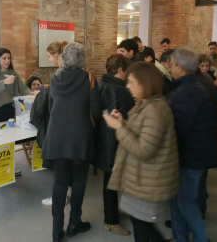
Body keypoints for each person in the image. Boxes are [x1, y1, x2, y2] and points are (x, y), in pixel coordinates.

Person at [103, 62, 179, 242]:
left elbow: (144, 149)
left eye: (131, 82)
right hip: (140, 179)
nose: (127, 86)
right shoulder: (146, 103)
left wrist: (119, 128)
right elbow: (142, 134)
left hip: (148, 181)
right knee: (141, 225)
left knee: (143, 228)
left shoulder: (155, 110)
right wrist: (123, 122)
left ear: (145, 83)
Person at [41, 43, 101, 242]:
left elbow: (50, 108)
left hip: (57, 138)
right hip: (80, 137)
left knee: (59, 183)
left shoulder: (55, 79)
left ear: (63, 58)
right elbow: (96, 111)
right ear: (83, 58)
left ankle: (56, 231)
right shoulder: (88, 78)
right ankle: (75, 222)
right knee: (79, 182)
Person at [167, 49, 217, 242]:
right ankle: (180, 237)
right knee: (181, 203)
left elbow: (178, 128)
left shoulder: (186, 92)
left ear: (180, 68)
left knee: (186, 204)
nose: (169, 67)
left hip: (190, 157)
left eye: (171, 64)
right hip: (192, 155)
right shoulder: (191, 87)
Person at [94, 54, 135, 237]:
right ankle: (110, 221)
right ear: (120, 70)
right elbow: (118, 117)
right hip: (113, 141)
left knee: (111, 179)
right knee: (111, 180)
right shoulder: (116, 88)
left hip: (105, 140)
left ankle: (112, 214)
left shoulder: (103, 84)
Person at [30, 41, 70, 207]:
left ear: (57, 55)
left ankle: (59, 198)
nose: (49, 60)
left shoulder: (60, 75)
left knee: (60, 167)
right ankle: (67, 192)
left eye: (49, 56)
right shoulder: (69, 75)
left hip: (59, 126)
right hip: (69, 126)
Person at [0, 48, 33, 124]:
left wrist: (31, 93)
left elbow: (22, 88)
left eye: (9, 58)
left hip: (9, 109)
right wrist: (4, 82)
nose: (7, 61)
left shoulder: (13, 73)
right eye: (4, 58)